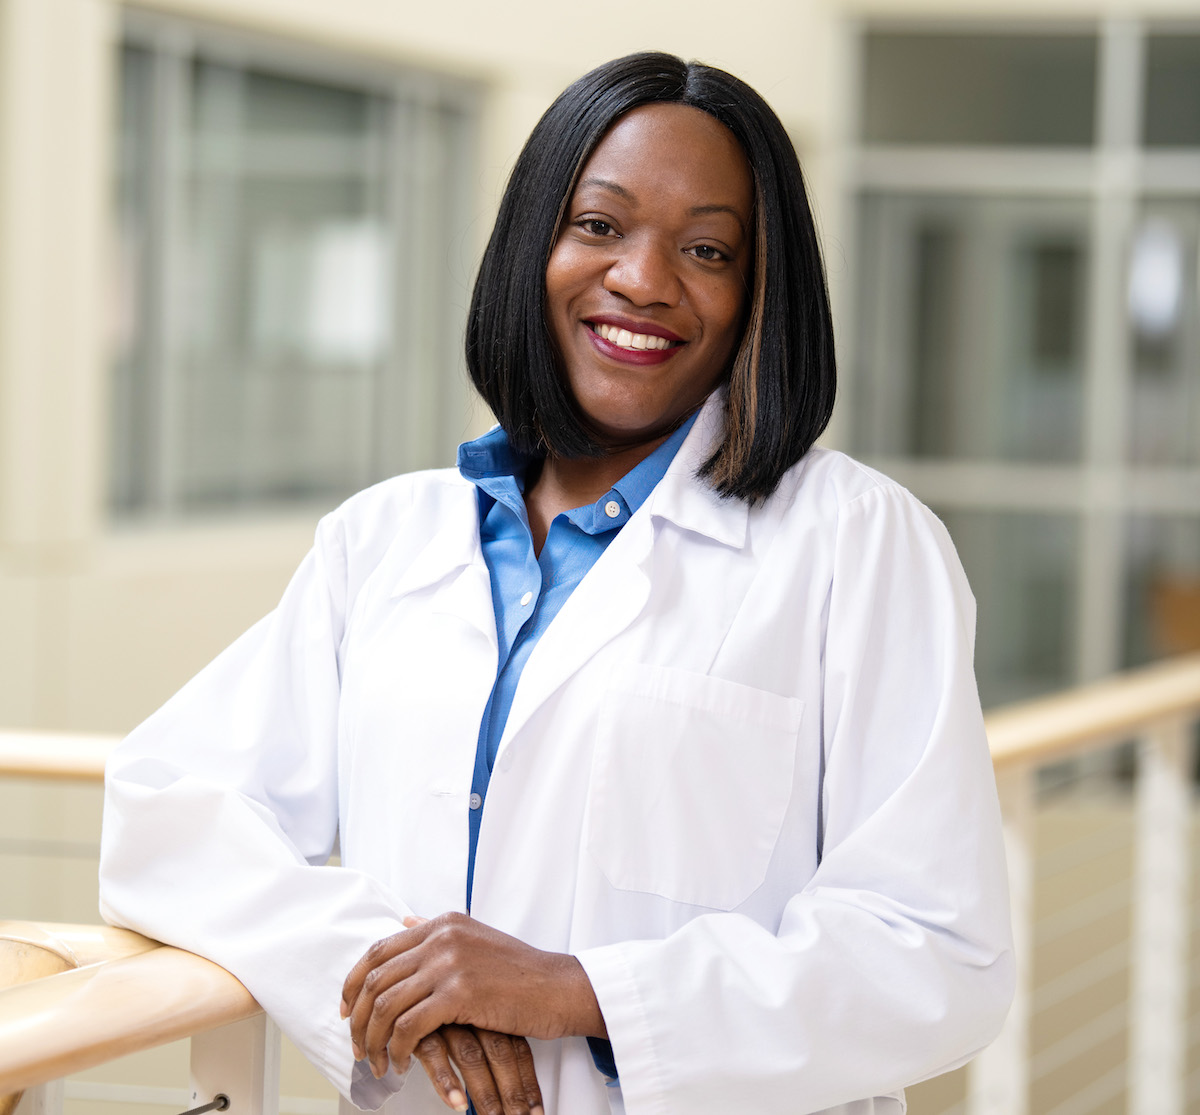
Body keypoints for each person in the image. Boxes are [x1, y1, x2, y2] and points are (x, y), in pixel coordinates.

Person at [99, 51, 1014, 1115]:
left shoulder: (859, 545)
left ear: (761, 291)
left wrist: (583, 991)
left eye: (708, 248)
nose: (644, 280)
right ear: (534, 240)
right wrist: (388, 969)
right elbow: (168, 811)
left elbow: (937, 950)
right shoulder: (383, 540)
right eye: (601, 226)